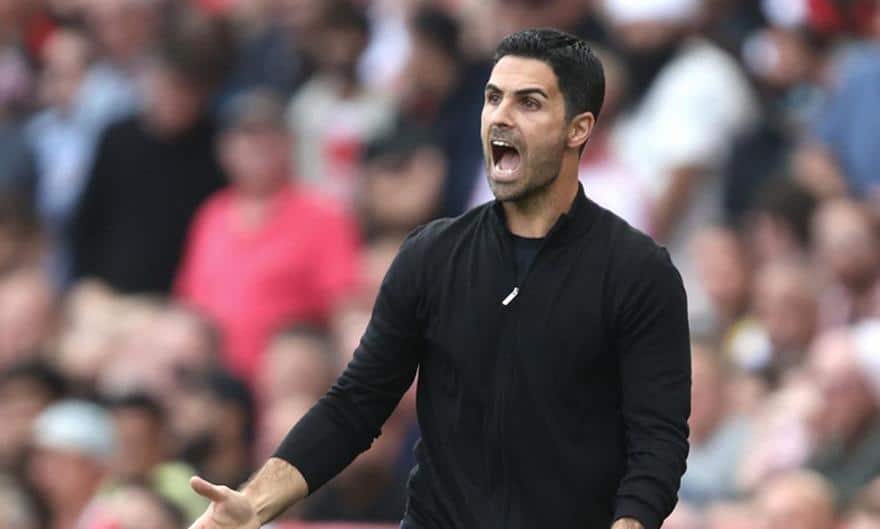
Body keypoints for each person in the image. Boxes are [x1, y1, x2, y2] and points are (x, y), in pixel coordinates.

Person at [188, 28, 690, 529]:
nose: (501, 116)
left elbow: (657, 442)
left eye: (529, 103)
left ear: (578, 129)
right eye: (493, 98)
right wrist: (254, 504)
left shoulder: (638, 271)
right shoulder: (431, 255)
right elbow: (355, 405)